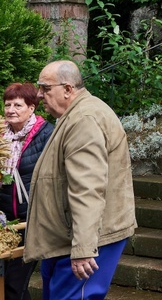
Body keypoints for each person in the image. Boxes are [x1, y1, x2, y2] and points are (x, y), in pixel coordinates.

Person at [24, 61, 136, 300]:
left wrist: (84, 249)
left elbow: (87, 188)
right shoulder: (75, 114)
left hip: (86, 240)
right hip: (70, 237)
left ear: (67, 89)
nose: (39, 94)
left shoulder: (84, 118)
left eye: (45, 88)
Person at [0, 83, 53, 300]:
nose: (11, 109)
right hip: (3, 220)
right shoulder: (1, 133)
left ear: (32, 107)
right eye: (7, 104)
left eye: (18, 105)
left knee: (15, 284)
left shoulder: (46, 134)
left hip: (29, 220)